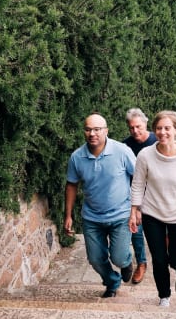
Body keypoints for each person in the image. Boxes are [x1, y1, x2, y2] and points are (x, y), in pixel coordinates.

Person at [129, 110, 176, 308]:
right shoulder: (145, 155)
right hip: (153, 214)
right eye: (158, 128)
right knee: (159, 260)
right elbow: (137, 184)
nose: (162, 132)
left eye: (167, 128)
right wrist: (134, 210)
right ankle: (164, 296)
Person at [64, 112, 136, 298]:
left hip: (121, 215)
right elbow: (72, 184)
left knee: (119, 257)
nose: (92, 133)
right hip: (92, 217)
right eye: (88, 129)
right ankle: (112, 282)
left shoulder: (122, 151)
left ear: (106, 131)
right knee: (95, 259)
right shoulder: (77, 157)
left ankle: (127, 262)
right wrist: (68, 215)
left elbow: (139, 178)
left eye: (97, 129)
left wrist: (137, 208)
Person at [122, 107, 157, 284]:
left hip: (158, 194)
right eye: (131, 128)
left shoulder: (157, 140)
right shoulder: (125, 146)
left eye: (138, 126)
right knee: (136, 228)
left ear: (145, 123)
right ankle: (141, 263)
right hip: (135, 194)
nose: (135, 131)